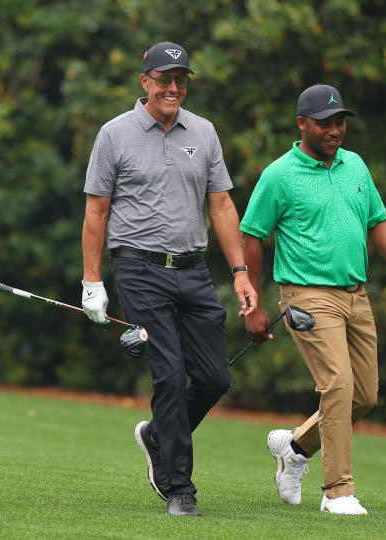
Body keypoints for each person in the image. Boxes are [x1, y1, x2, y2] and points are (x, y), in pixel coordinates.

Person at [81, 41, 257, 517]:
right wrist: (92, 280)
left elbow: (221, 205)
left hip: (194, 269)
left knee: (216, 377)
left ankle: (158, 435)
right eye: (164, 79)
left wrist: (240, 271)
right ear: (146, 82)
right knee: (168, 374)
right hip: (138, 269)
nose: (173, 88)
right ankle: (180, 487)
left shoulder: (204, 131)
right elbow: (97, 210)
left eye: (181, 80)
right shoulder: (114, 134)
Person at [240, 84, 386, 515]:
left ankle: (295, 448)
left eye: (340, 122)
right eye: (325, 123)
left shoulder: (355, 165)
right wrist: (255, 305)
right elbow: (251, 237)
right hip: (306, 296)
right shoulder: (279, 174)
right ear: (302, 124)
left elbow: (379, 219)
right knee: (337, 385)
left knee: (365, 395)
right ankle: (338, 491)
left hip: (356, 295)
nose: (335, 130)